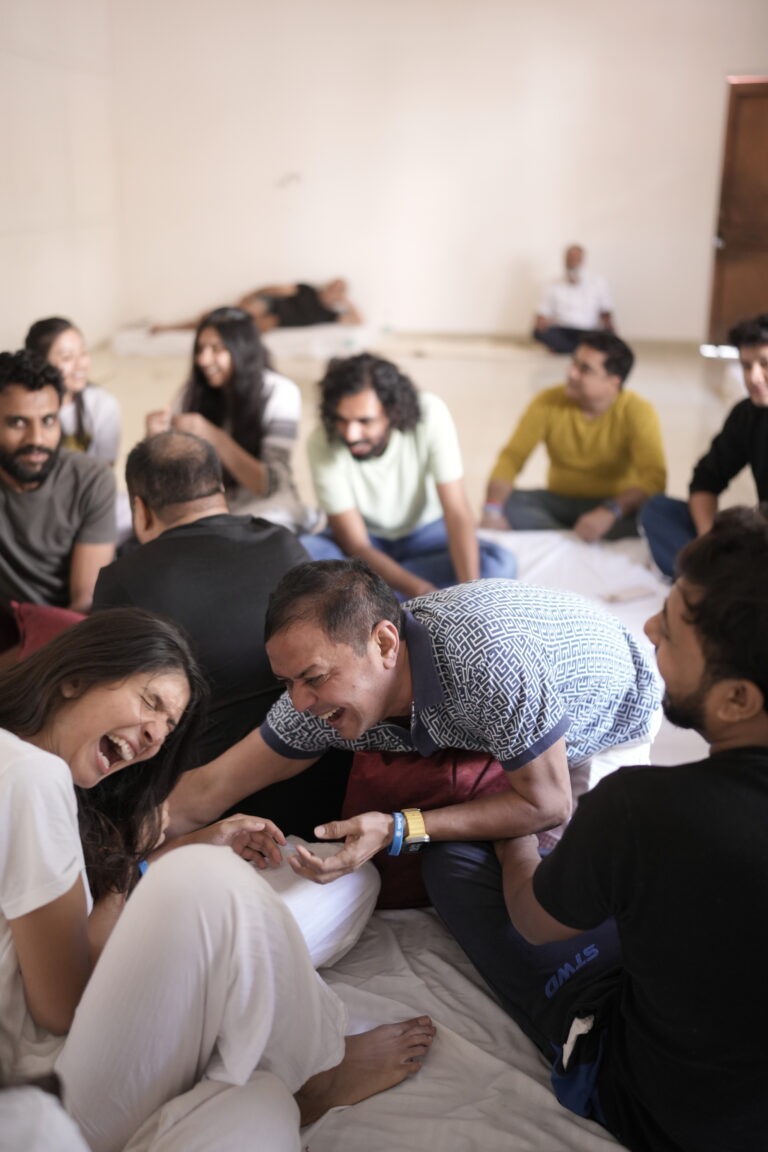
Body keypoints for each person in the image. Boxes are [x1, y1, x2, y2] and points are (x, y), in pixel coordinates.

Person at [0, 607, 434, 1152]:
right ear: (76, 677)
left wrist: (165, 853)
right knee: (206, 882)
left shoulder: (49, 782)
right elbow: (61, 1006)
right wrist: (138, 867)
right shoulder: (30, 775)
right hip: (40, 1094)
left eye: (167, 730)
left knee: (262, 1104)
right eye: (150, 702)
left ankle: (288, 1081)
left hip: (53, 1105)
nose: (153, 737)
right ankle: (319, 1072)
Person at [445, 507, 768, 1152]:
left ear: (738, 698)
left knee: (452, 859)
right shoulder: (646, 816)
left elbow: (534, 921)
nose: (647, 627)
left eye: (670, 629)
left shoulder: (643, 809)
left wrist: (516, 834)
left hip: (663, 1111)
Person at [166, 560, 661, 876]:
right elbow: (212, 788)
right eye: (286, 682)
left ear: (384, 643)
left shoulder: (487, 663)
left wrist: (399, 828)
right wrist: (129, 850)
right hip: (515, 727)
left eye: (312, 678)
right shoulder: (323, 698)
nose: (299, 702)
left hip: (608, 721)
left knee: (522, 887)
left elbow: (548, 804)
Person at [93, 430, 351, 836]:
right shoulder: (283, 543)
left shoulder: (120, 581)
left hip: (201, 811)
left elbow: (111, 715)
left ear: (140, 509)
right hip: (327, 793)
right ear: (222, 489)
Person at [301, 353, 517, 598]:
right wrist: (421, 589)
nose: (351, 434)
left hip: (427, 536)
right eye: (341, 420)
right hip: (365, 545)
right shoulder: (321, 441)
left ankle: (370, 597)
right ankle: (383, 593)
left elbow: (456, 510)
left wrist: (469, 595)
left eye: (365, 421)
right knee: (304, 553)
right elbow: (357, 544)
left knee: (498, 564)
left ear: (393, 412)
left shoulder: (430, 413)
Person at [145, 307, 316, 532]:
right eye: (200, 349)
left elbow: (269, 485)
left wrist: (211, 434)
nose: (203, 360)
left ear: (242, 349)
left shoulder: (280, 392)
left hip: (268, 508)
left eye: (217, 349)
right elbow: (168, 480)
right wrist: (154, 441)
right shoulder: (193, 393)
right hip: (212, 513)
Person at [482, 332, 666, 541]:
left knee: (656, 515)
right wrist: (492, 510)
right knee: (512, 503)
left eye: (584, 369)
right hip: (559, 501)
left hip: (612, 506)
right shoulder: (547, 401)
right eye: (574, 363)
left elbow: (654, 479)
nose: (571, 373)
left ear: (613, 382)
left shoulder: (638, 411)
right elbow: (512, 457)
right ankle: (573, 540)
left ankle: (559, 539)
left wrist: (611, 511)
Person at [640, 312, 768, 577]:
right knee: (659, 510)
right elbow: (706, 480)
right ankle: (711, 580)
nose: (754, 377)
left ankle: (708, 584)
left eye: (765, 364)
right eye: (746, 366)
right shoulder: (747, 415)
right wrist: (707, 541)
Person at [0, 350, 115, 640]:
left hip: (65, 636)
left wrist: (25, 659)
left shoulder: (91, 480)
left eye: (49, 420)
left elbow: (84, 602)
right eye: (18, 423)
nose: (37, 439)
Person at [24, 317, 121, 464]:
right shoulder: (22, 409)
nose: (80, 364)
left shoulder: (103, 405)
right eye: (67, 357)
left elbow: (105, 469)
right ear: (40, 363)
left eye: (83, 353)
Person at [153, 278, 363, 334]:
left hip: (276, 320)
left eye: (338, 290)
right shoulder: (307, 290)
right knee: (229, 315)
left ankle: (217, 332)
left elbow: (359, 321)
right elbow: (277, 289)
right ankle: (169, 327)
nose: (331, 290)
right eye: (332, 286)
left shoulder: (328, 314)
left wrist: (347, 302)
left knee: (249, 326)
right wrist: (252, 294)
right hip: (269, 305)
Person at [533, 245, 614, 355]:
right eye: (570, 258)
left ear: (582, 259)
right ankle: (583, 348)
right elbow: (543, 310)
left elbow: (605, 308)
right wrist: (540, 322)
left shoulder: (598, 282)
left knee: (606, 336)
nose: (572, 261)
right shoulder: (552, 284)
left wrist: (609, 326)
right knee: (538, 333)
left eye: (576, 258)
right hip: (562, 329)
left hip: (588, 329)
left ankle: (567, 348)